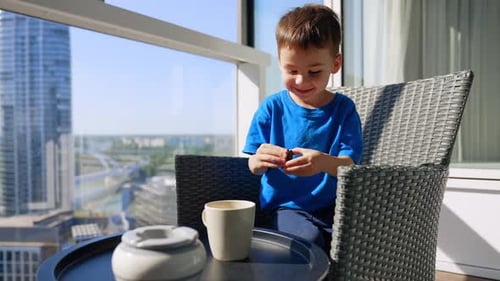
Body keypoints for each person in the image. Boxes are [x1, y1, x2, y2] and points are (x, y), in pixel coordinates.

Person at [242, 4, 363, 252]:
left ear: (335, 63)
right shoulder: (272, 107)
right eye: (292, 70)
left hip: (333, 206)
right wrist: (259, 160)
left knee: (358, 245)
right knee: (306, 243)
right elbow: (252, 165)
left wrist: (321, 162)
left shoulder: (344, 109)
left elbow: (350, 165)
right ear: (280, 63)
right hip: (285, 207)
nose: (301, 80)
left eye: (314, 71)